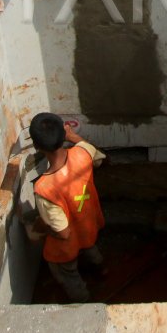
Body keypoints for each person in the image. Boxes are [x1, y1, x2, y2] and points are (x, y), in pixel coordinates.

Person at [30, 113, 106, 303]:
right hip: (88, 225)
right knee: (91, 248)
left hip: (66, 246)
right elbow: (98, 159)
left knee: (68, 274)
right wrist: (74, 138)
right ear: (64, 133)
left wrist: (38, 228)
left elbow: (63, 233)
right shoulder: (83, 153)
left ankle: (84, 301)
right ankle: (101, 270)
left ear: (37, 147)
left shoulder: (44, 188)